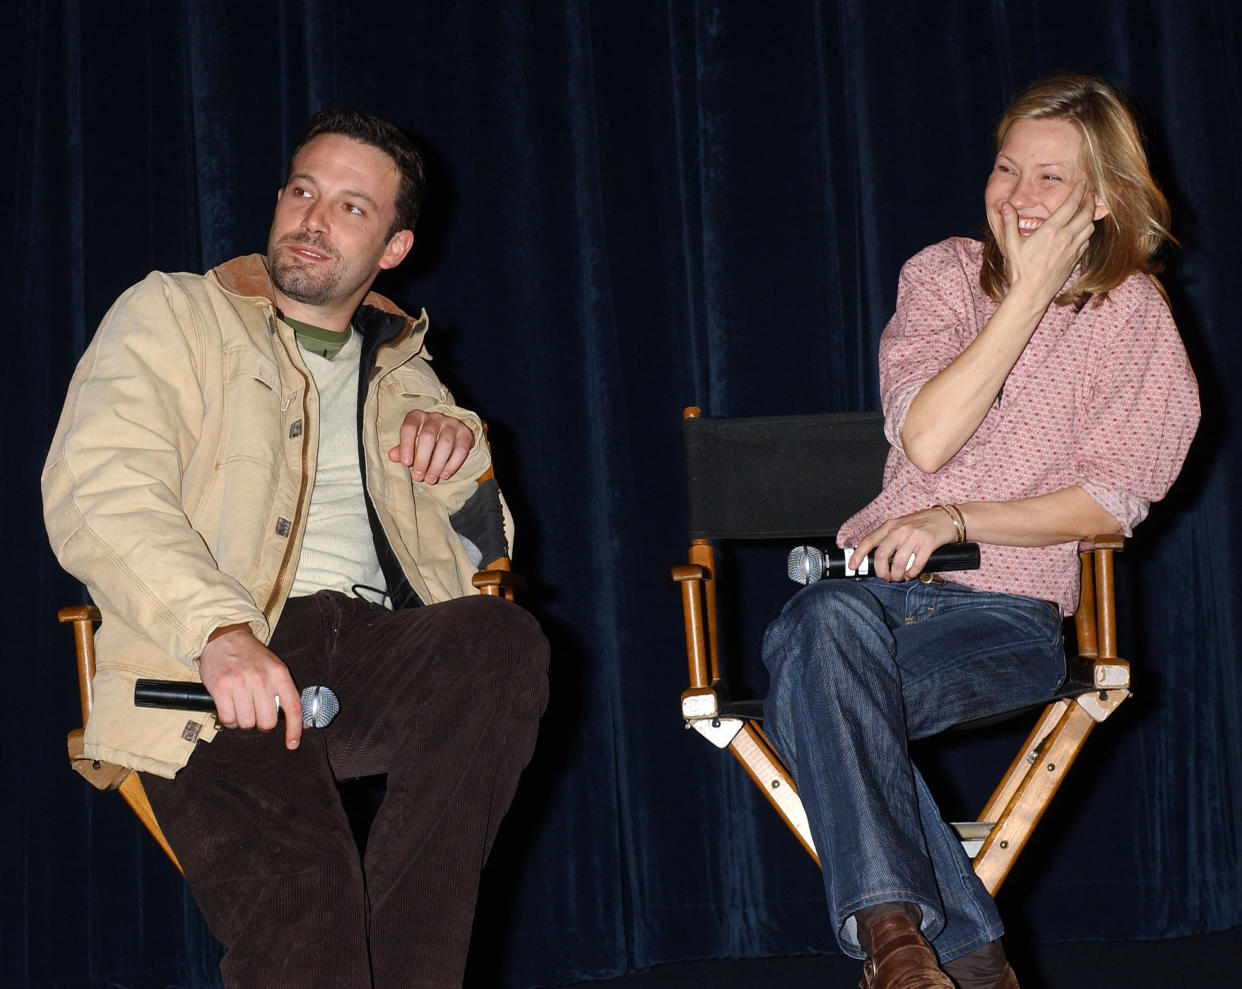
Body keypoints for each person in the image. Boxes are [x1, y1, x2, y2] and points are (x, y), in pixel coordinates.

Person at [42, 108, 549, 988]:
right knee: (307, 909)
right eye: (304, 191)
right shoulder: (174, 312)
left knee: (500, 641)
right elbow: (98, 488)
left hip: (370, 651)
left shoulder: (408, 372)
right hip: (208, 664)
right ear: (278, 201)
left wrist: (458, 461)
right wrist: (221, 629)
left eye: (352, 207)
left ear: (393, 248)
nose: (315, 219)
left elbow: (484, 555)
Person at [761, 75, 1198, 989]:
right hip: (868, 604)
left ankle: (924, 948)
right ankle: (931, 950)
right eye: (1008, 169)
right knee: (820, 627)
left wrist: (959, 516)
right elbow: (926, 434)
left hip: (1008, 617)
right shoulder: (943, 274)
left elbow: (1108, 501)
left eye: (1051, 179)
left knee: (815, 683)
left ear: (1104, 198)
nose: (1020, 196)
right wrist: (1024, 296)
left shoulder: (1136, 316)